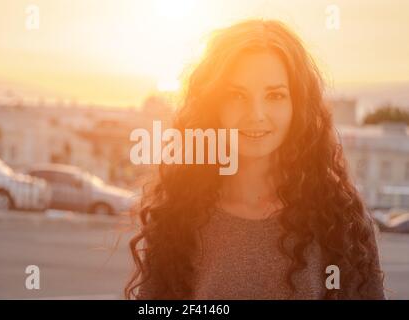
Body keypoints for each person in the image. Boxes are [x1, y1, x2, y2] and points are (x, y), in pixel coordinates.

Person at [124, 19, 385, 300]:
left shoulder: (339, 222)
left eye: (275, 95)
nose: (256, 113)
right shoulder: (176, 217)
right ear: (214, 104)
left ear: (297, 105)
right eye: (237, 95)